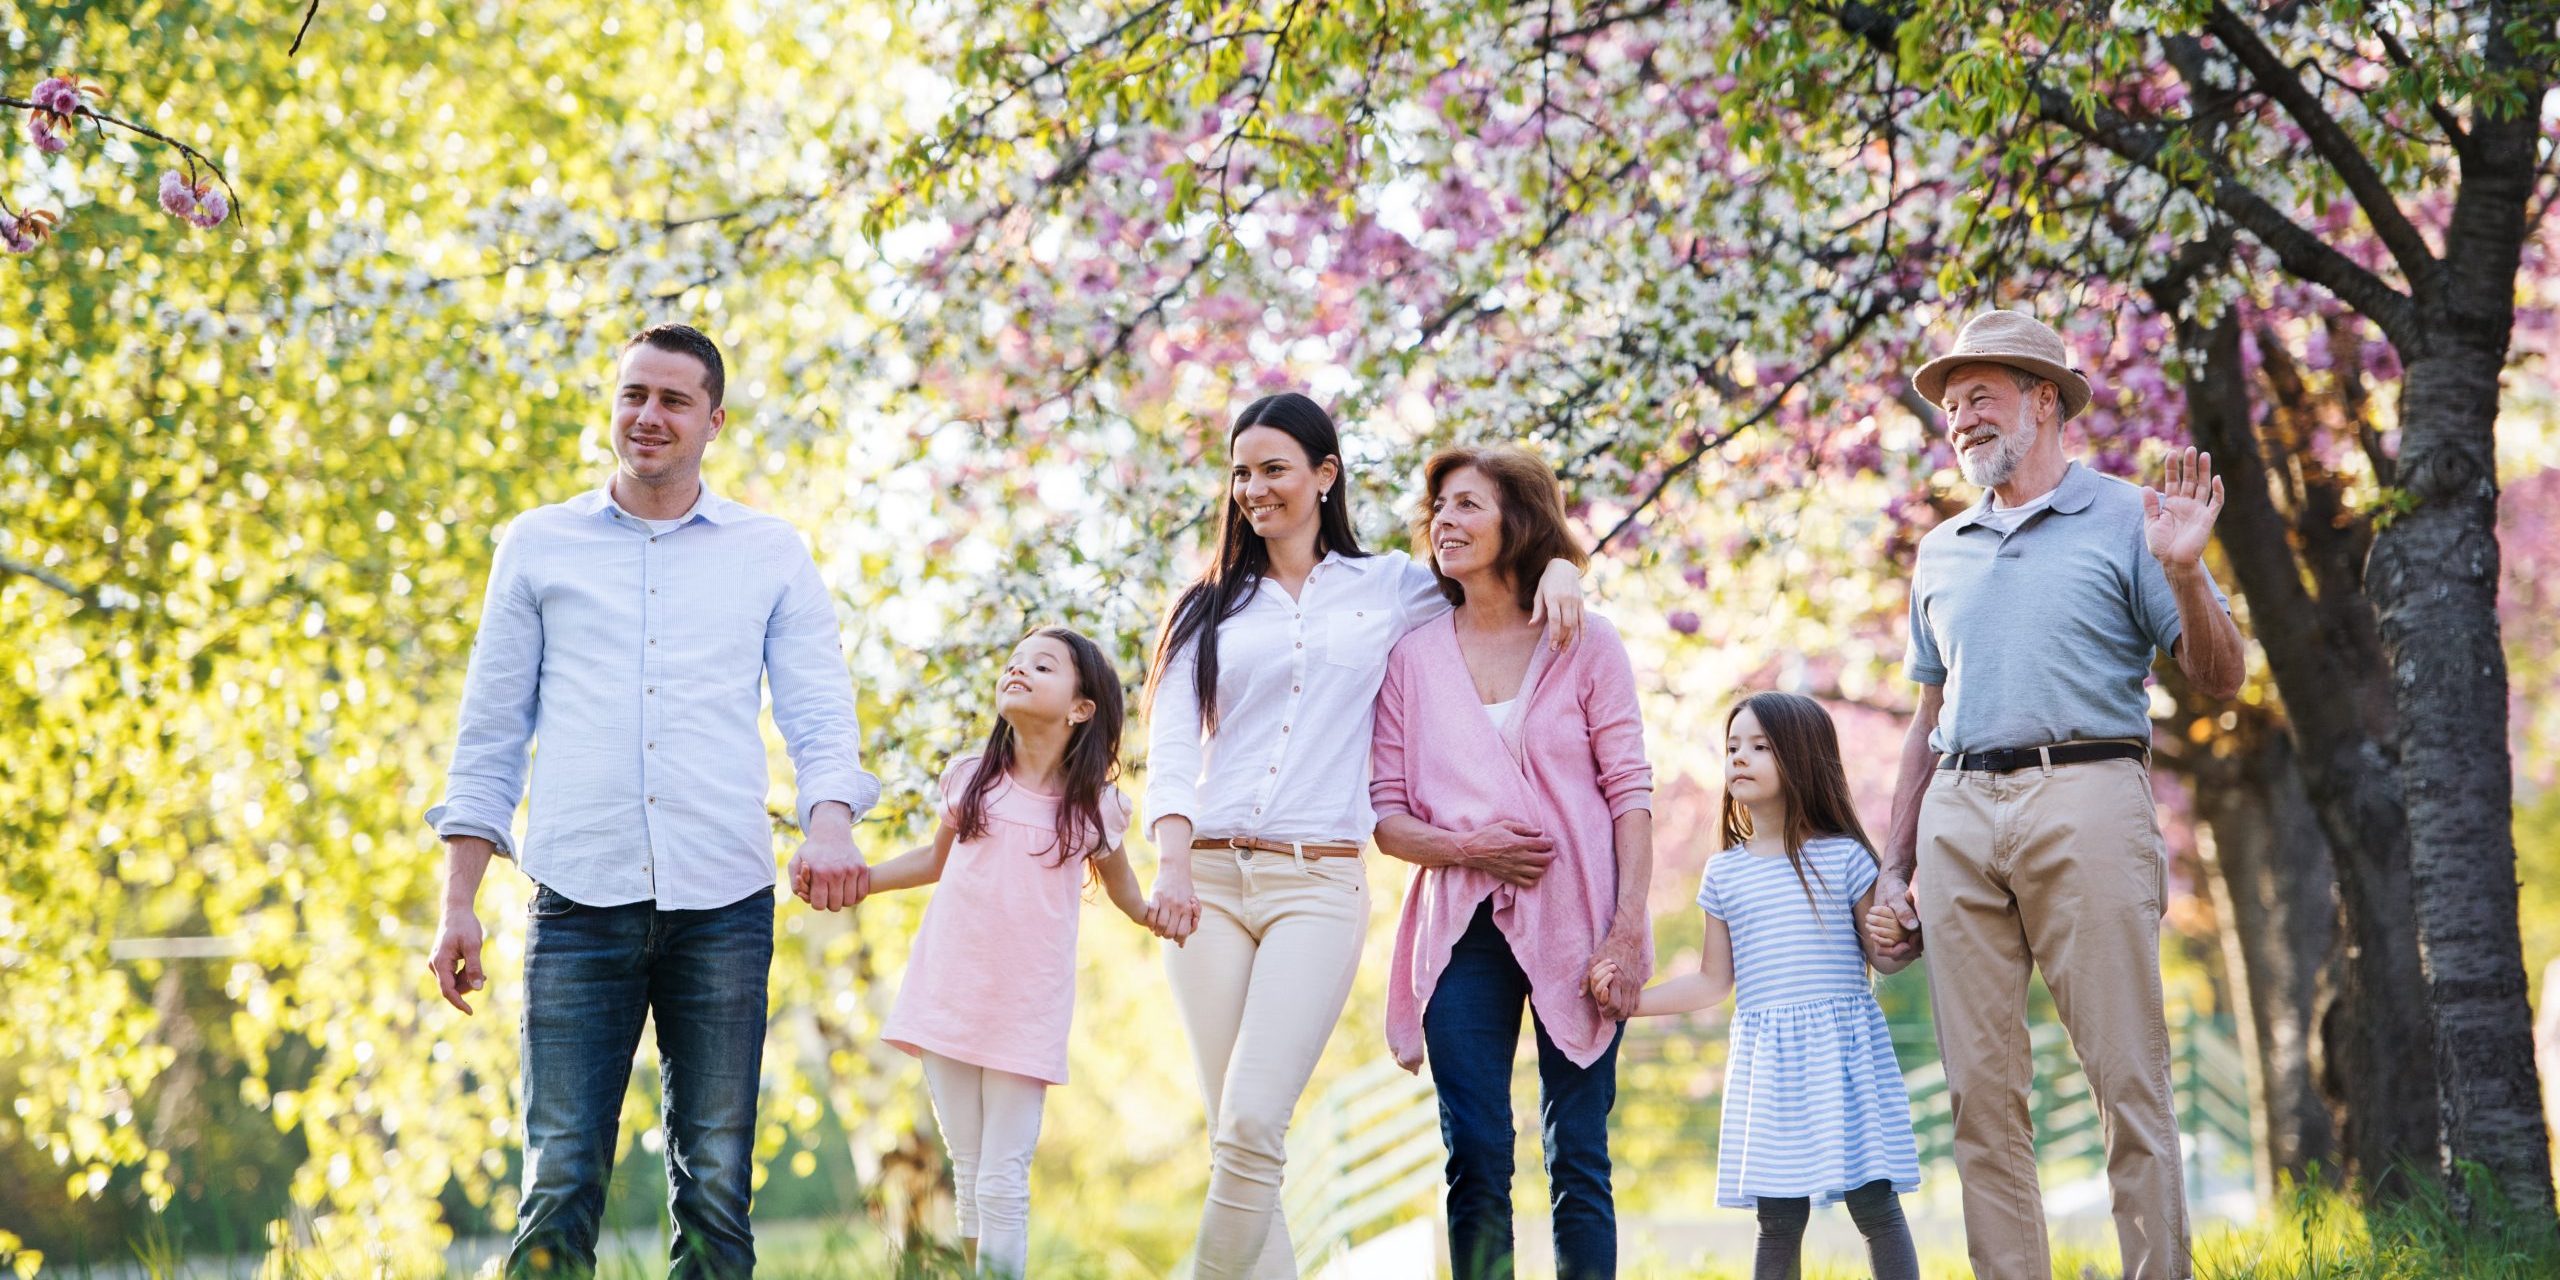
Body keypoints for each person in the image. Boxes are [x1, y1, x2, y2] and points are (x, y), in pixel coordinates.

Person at [425, 323, 881, 1278]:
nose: (649, 416)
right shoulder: (539, 544)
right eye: (634, 394)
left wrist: (829, 824)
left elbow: (817, 709)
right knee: (557, 1183)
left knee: (716, 1187)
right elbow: (490, 729)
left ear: (714, 420)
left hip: (723, 901)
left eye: (674, 400)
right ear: (613, 406)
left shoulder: (770, 550)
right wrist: (458, 900)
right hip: (577, 899)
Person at [1140, 392, 1587, 1278]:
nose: (1253, 489)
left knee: (1256, 1120)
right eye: (1240, 473)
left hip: (1320, 883)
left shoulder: (1391, 587)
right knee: (1239, 1139)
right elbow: (1169, 747)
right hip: (1209, 886)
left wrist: (1567, 568)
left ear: (1324, 475)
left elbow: (1501, 582)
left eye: (1274, 469)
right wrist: (1171, 864)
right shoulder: (1208, 607)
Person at [1868, 309, 2245, 1280]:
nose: (1961, 419)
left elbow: (2221, 674)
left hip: (2084, 795)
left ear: (2045, 400)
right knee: (1978, 1097)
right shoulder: (1940, 548)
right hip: (1957, 815)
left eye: (1980, 396)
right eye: (1951, 406)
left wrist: (2185, 571)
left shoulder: (2131, 517)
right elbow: (1924, 716)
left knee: (2127, 1075)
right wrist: (1893, 865)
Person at [1368, 445, 1654, 1280]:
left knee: (1580, 1156)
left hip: (1584, 920)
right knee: (1477, 1156)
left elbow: (1630, 790)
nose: (1445, 523)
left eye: (1467, 506)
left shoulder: (1587, 642)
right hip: (1460, 930)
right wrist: (1470, 847)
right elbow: (1387, 818)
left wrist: (1628, 930)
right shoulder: (1412, 659)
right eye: (1440, 509)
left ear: (1515, 522)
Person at [860, 626, 1163, 1279]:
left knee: (1002, 1179)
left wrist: (1160, 914)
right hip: (947, 997)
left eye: (1043, 666)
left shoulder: (1097, 809)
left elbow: (1128, 894)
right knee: (969, 1174)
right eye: (1014, 661)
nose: (1018, 671)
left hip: (1026, 1011)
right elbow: (933, 862)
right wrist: (861, 877)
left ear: (1081, 707)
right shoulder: (971, 778)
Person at [1598, 692, 1921, 1280]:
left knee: (1874, 1205)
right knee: (1777, 1218)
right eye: (1732, 746)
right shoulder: (1725, 871)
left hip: (1842, 1057)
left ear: (1802, 757)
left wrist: (1901, 934)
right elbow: (1710, 982)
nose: (1739, 758)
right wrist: (1628, 1004)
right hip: (1771, 1065)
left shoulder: (1846, 858)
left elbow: (1887, 957)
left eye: (1760, 746)